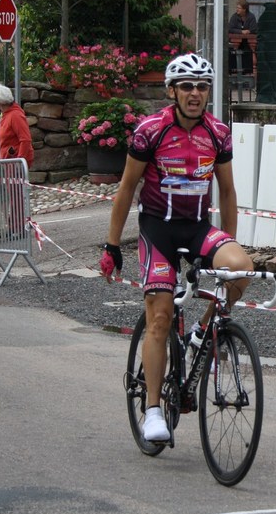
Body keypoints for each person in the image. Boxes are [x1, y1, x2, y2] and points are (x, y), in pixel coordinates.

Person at [99, 53, 253, 443]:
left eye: (202, 86)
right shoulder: (150, 130)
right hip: (158, 230)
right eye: (187, 86)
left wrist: (230, 241)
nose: (195, 93)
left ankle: (202, 332)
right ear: (172, 91)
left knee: (241, 269)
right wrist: (112, 245)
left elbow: (228, 191)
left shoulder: (218, 133)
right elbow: (126, 189)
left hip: (197, 227)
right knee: (161, 317)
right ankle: (153, 409)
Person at [0, 84, 33, 165]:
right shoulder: (5, 114)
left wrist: (19, 161)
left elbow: (25, 139)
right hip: (9, 161)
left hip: (15, 162)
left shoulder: (15, 115)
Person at [227, 0, 257, 75]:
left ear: (244, 9)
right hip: (235, 42)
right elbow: (230, 28)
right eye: (237, 7)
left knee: (249, 52)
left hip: (248, 43)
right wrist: (241, 32)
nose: (237, 9)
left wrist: (249, 31)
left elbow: (254, 29)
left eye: (239, 8)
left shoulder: (251, 17)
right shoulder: (234, 17)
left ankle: (249, 72)